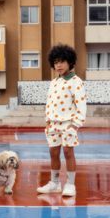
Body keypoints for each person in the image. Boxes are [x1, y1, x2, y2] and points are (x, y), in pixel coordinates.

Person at [37, 44, 87, 197]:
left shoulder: (76, 82)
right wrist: (48, 120)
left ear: (70, 62)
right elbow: (49, 102)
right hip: (53, 124)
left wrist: (74, 125)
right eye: (56, 62)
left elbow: (81, 105)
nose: (58, 65)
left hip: (68, 124)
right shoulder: (54, 82)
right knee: (53, 153)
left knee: (68, 152)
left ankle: (70, 184)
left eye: (62, 61)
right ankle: (54, 183)